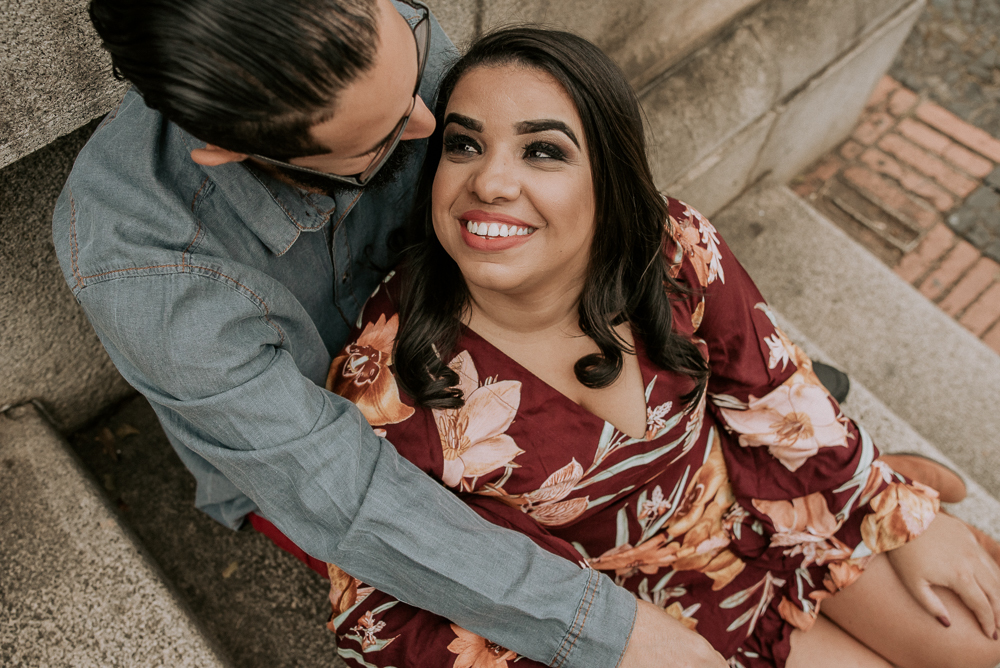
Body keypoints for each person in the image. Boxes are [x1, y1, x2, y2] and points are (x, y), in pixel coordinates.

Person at [52, 0, 734, 666]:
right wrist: (606, 630)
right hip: (317, 459)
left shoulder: (384, 36)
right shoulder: (142, 265)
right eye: (379, 143)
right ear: (232, 152)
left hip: (456, 337)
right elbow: (336, 491)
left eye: (411, 74)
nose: (428, 121)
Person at [311, 27, 1000, 668]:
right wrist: (594, 643)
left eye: (543, 150)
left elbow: (773, 388)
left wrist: (893, 507)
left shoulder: (668, 245)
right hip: (647, 619)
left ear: (608, 182)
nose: (488, 182)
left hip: (772, 501)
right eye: (464, 145)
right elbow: (376, 612)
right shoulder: (388, 384)